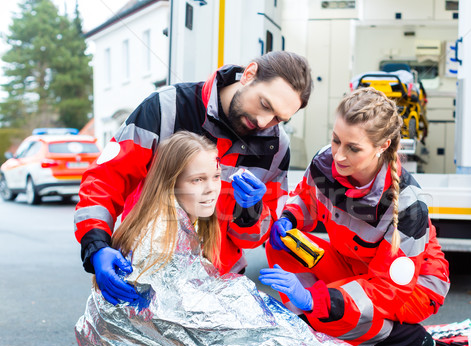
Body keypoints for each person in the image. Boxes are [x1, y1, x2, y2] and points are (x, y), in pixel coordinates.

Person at [40, 131, 437, 346]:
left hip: (406, 289)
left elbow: (237, 250)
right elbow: (170, 306)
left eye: (215, 175)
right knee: (271, 345)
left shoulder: (407, 208)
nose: (212, 187)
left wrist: (253, 215)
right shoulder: (158, 225)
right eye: (197, 180)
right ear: (170, 181)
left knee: (279, 330)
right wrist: (247, 302)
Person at [74, 51, 312, 306]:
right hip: (145, 274)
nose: (264, 122)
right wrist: (96, 244)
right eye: (265, 104)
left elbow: (253, 238)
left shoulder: (276, 145)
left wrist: (250, 210)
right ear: (249, 74)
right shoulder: (167, 108)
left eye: (279, 118)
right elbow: (106, 179)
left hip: (218, 287)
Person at [261, 87, 451, 346]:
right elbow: (307, 199)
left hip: (413, 287)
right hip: (353, 263)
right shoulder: (325, 164)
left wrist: (318, 300)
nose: (338, 154)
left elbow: (388, 290)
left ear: (382, 146)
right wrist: (289, 218)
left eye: (353, 148)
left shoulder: (408, 208)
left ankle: (404, 344)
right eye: (336, 140)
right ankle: (315, 321)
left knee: (330, 309)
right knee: (286, 244)